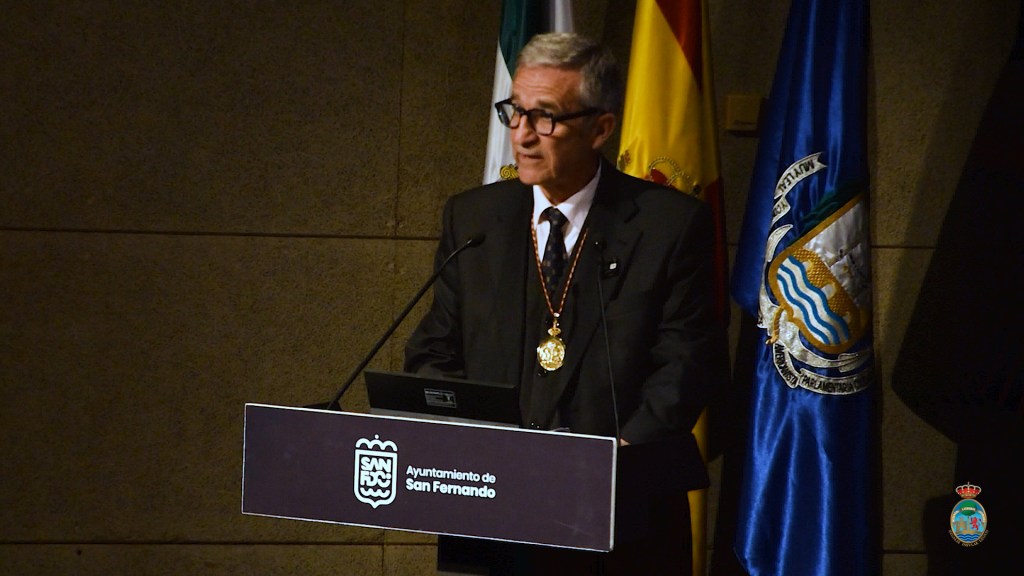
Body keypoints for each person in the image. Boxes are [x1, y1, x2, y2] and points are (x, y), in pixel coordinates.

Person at [404, 32, 728, 575]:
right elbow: (433, 350)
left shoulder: (668, 225)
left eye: (546, 117)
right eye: (515, 112)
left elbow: (688, 364)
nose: (523, 135)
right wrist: (468, 442)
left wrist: (610, 460)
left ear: (601, 128)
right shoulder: (473, 219)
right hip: (492, 514)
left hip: (623, 518)